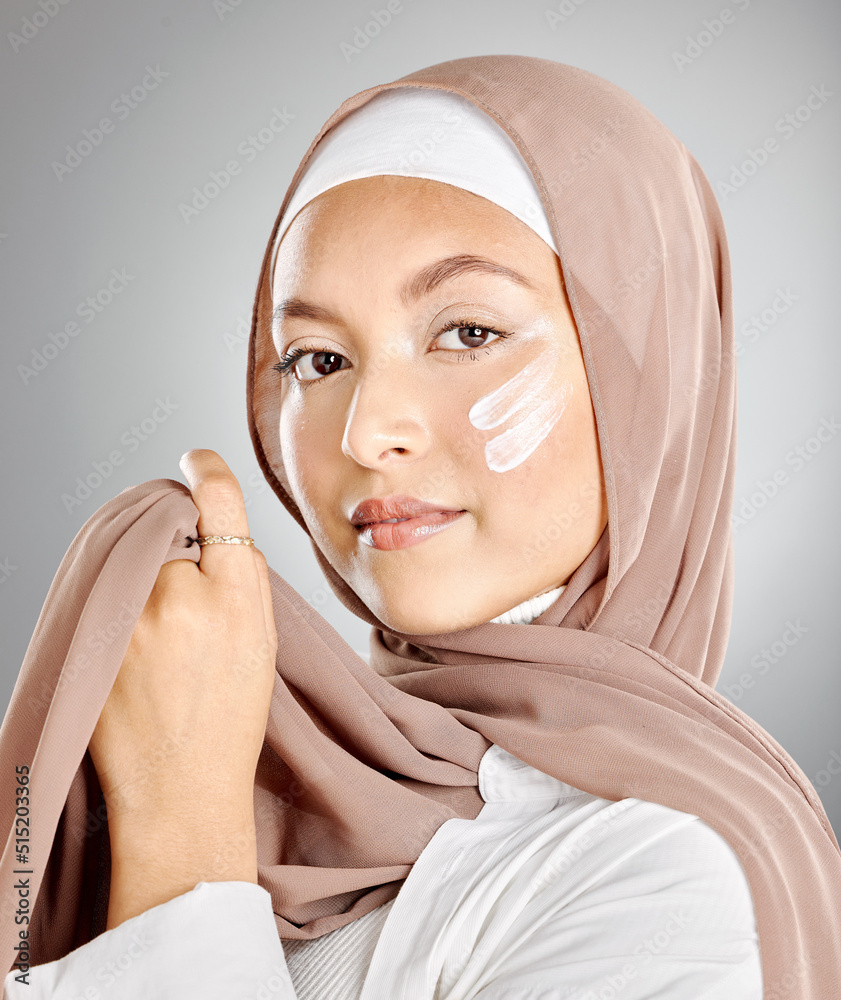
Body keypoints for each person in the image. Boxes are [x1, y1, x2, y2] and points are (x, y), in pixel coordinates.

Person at [3, 55, 840, 1000]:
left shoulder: (671, 879)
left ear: (648, 378)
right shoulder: (291, 767)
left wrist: (178, 834)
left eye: (468, 334)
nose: (367, 432)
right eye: (316, 359)